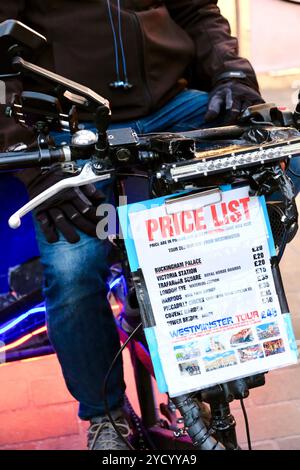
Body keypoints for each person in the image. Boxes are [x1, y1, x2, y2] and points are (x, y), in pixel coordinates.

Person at [0, 0, 283, 450]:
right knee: (73, 270)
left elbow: (197, 13)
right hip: (69, 126)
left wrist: (232, 74)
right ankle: (105, 417)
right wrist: (33, 165)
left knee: (276, 158)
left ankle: (199, 365)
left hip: (171, 108)